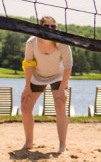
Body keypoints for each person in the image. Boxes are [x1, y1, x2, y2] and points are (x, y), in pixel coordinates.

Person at [20, 16, 73, 154]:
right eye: (46, 26)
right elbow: (29, 65)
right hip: (38, 76)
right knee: (25, 106)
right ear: (40, 28)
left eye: (53, 27)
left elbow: (68, 66)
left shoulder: (62, 42)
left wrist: (62, 90)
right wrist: (27, 87)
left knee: (60, 104)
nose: (50, 29)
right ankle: (29, 142)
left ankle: (62, 146)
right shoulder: (31, 42)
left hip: (58, 75)